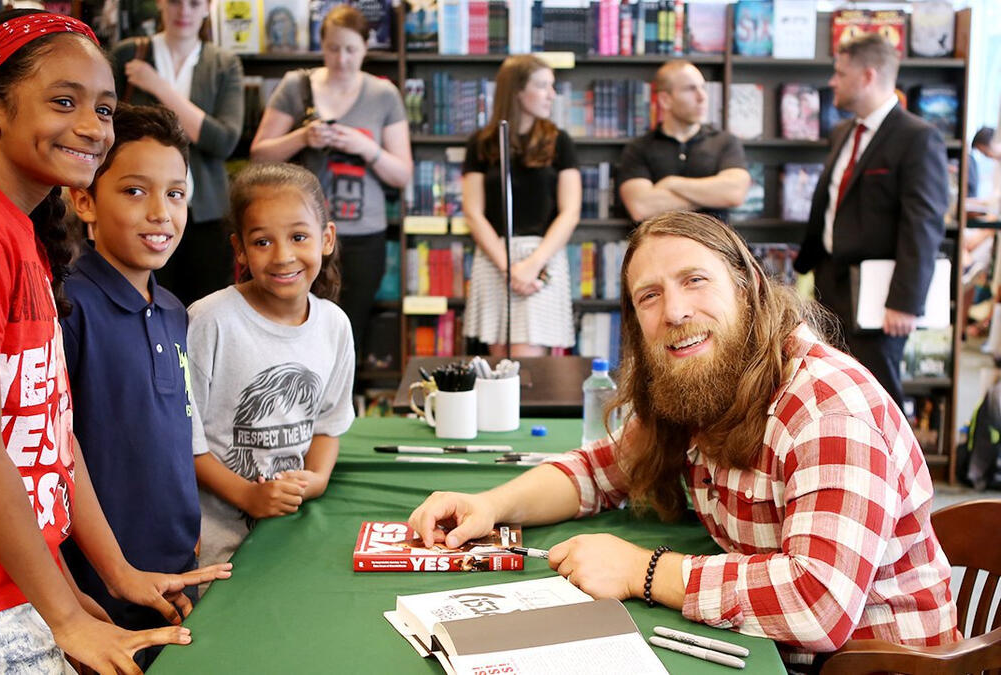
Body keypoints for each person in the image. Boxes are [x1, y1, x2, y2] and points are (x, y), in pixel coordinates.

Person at [409, 211, 958, 668]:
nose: (674, 311)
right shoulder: (697, 380)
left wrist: (641, 570)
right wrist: (489, 506)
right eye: (649, 296)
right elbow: (596, 471)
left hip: (877, 664)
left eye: (695, 280)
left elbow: (817, 605)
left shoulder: (829, 405)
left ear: (747, 286)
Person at [0, 11, 230, 673]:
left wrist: (110, 574)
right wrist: (62, 614)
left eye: (105, 107)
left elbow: (49, 430)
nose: (93, 126)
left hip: (8, 571)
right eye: (65, 101)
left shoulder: (17, 231)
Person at [61, 103, 213, 668]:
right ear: (84, 201)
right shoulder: (67, 305)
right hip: (98, 581)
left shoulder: (175, 311)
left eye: (175, 194)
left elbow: (173, 433)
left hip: (175, 570)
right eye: (133, 191)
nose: (160, 214)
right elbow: (50, 454)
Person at [188, 163, 354, 572]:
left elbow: (328, 425)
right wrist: (247, 495)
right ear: (240, 249)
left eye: (299, 237)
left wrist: (316, 478)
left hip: (289, 536)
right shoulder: (210, 321)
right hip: (216, 545)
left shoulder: (334, 324)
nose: (283, 256)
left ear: (326, 238)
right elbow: (184, 443)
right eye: (262, 242)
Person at [249, 4, 413, 366]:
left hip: (363, 234)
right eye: (334, 48)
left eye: (352, 50)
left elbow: (402, 174)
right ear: (322, 46)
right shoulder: (297, 85)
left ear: (366, 48)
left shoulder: (384, 95)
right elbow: (259, 154)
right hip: (302, 231)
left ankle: (340, 413)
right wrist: (304, 137)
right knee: (297, 323)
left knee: (351, 331)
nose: (342, 59)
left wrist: (366, 147)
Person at [795, 32, 949, 409]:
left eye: (840, 73)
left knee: (877, 396)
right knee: (829, 388)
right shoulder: (843, 132)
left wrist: (905, 302)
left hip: (879, 295)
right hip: (828, 282)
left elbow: (923, 223)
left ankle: (895, 469)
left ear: (867, 76)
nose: (832, 82)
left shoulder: (917, 137)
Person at [113, 0, 245, 307]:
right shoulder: (128, 55)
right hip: (140, 208)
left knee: (204, 308)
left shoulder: (223, 64)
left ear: (208, 8)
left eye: (194, 3)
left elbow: (223, 140)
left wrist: (159, 87)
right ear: (160, 3)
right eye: (174, 2)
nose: (183, 11)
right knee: (139, 302)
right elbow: (110, 129)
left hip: (206, 215)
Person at [460, 54, 581, 357]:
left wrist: (531, 265)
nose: (551, 95)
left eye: (551, 86)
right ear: (515, 90)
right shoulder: (482, 143)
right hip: (495, 257)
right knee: (496, 362)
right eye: (542, 86)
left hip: (542, 258)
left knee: (528, 364)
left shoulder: (559, 141)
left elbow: (570, 211)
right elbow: (473, 212)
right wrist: (509, 267)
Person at [617, 60, 750, 223]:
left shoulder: (726, 142)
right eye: (690, 89)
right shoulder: (638, 148)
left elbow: (734, 193)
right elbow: (642, 207)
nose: (702, 97)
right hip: (660, 246)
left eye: (703, 88)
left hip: (712, 246)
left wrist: (671, 183)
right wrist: (712, 196)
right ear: (665, 100)